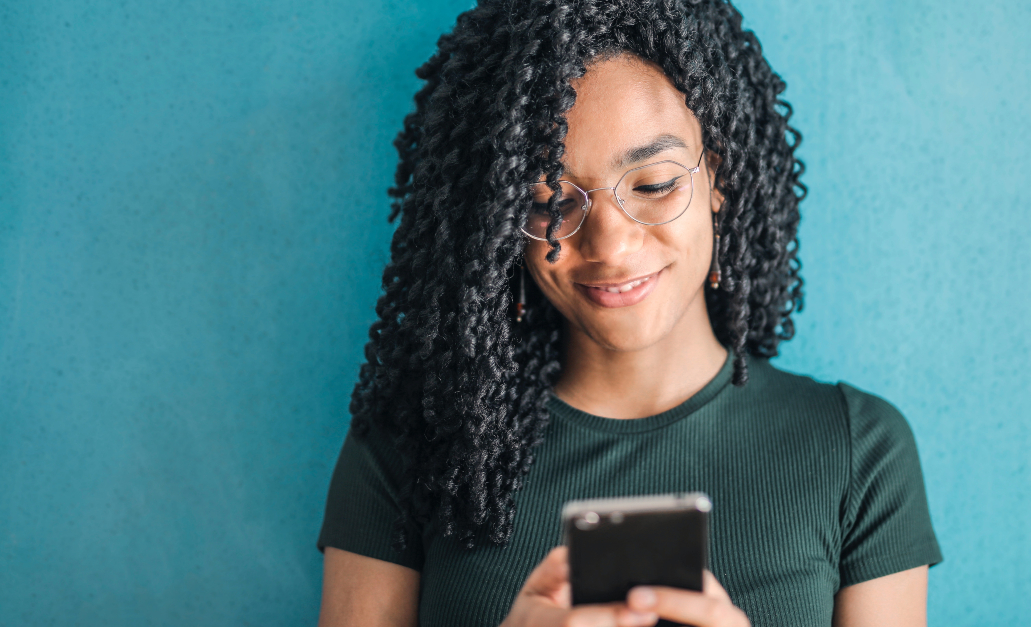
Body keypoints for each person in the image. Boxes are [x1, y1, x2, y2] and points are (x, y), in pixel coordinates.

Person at [315, 0, 943, 625]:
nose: (611, 247)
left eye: (653, 184)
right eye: (550, 202)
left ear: (716, 178)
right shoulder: (408, 447)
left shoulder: (856, 450)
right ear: (504, 221)